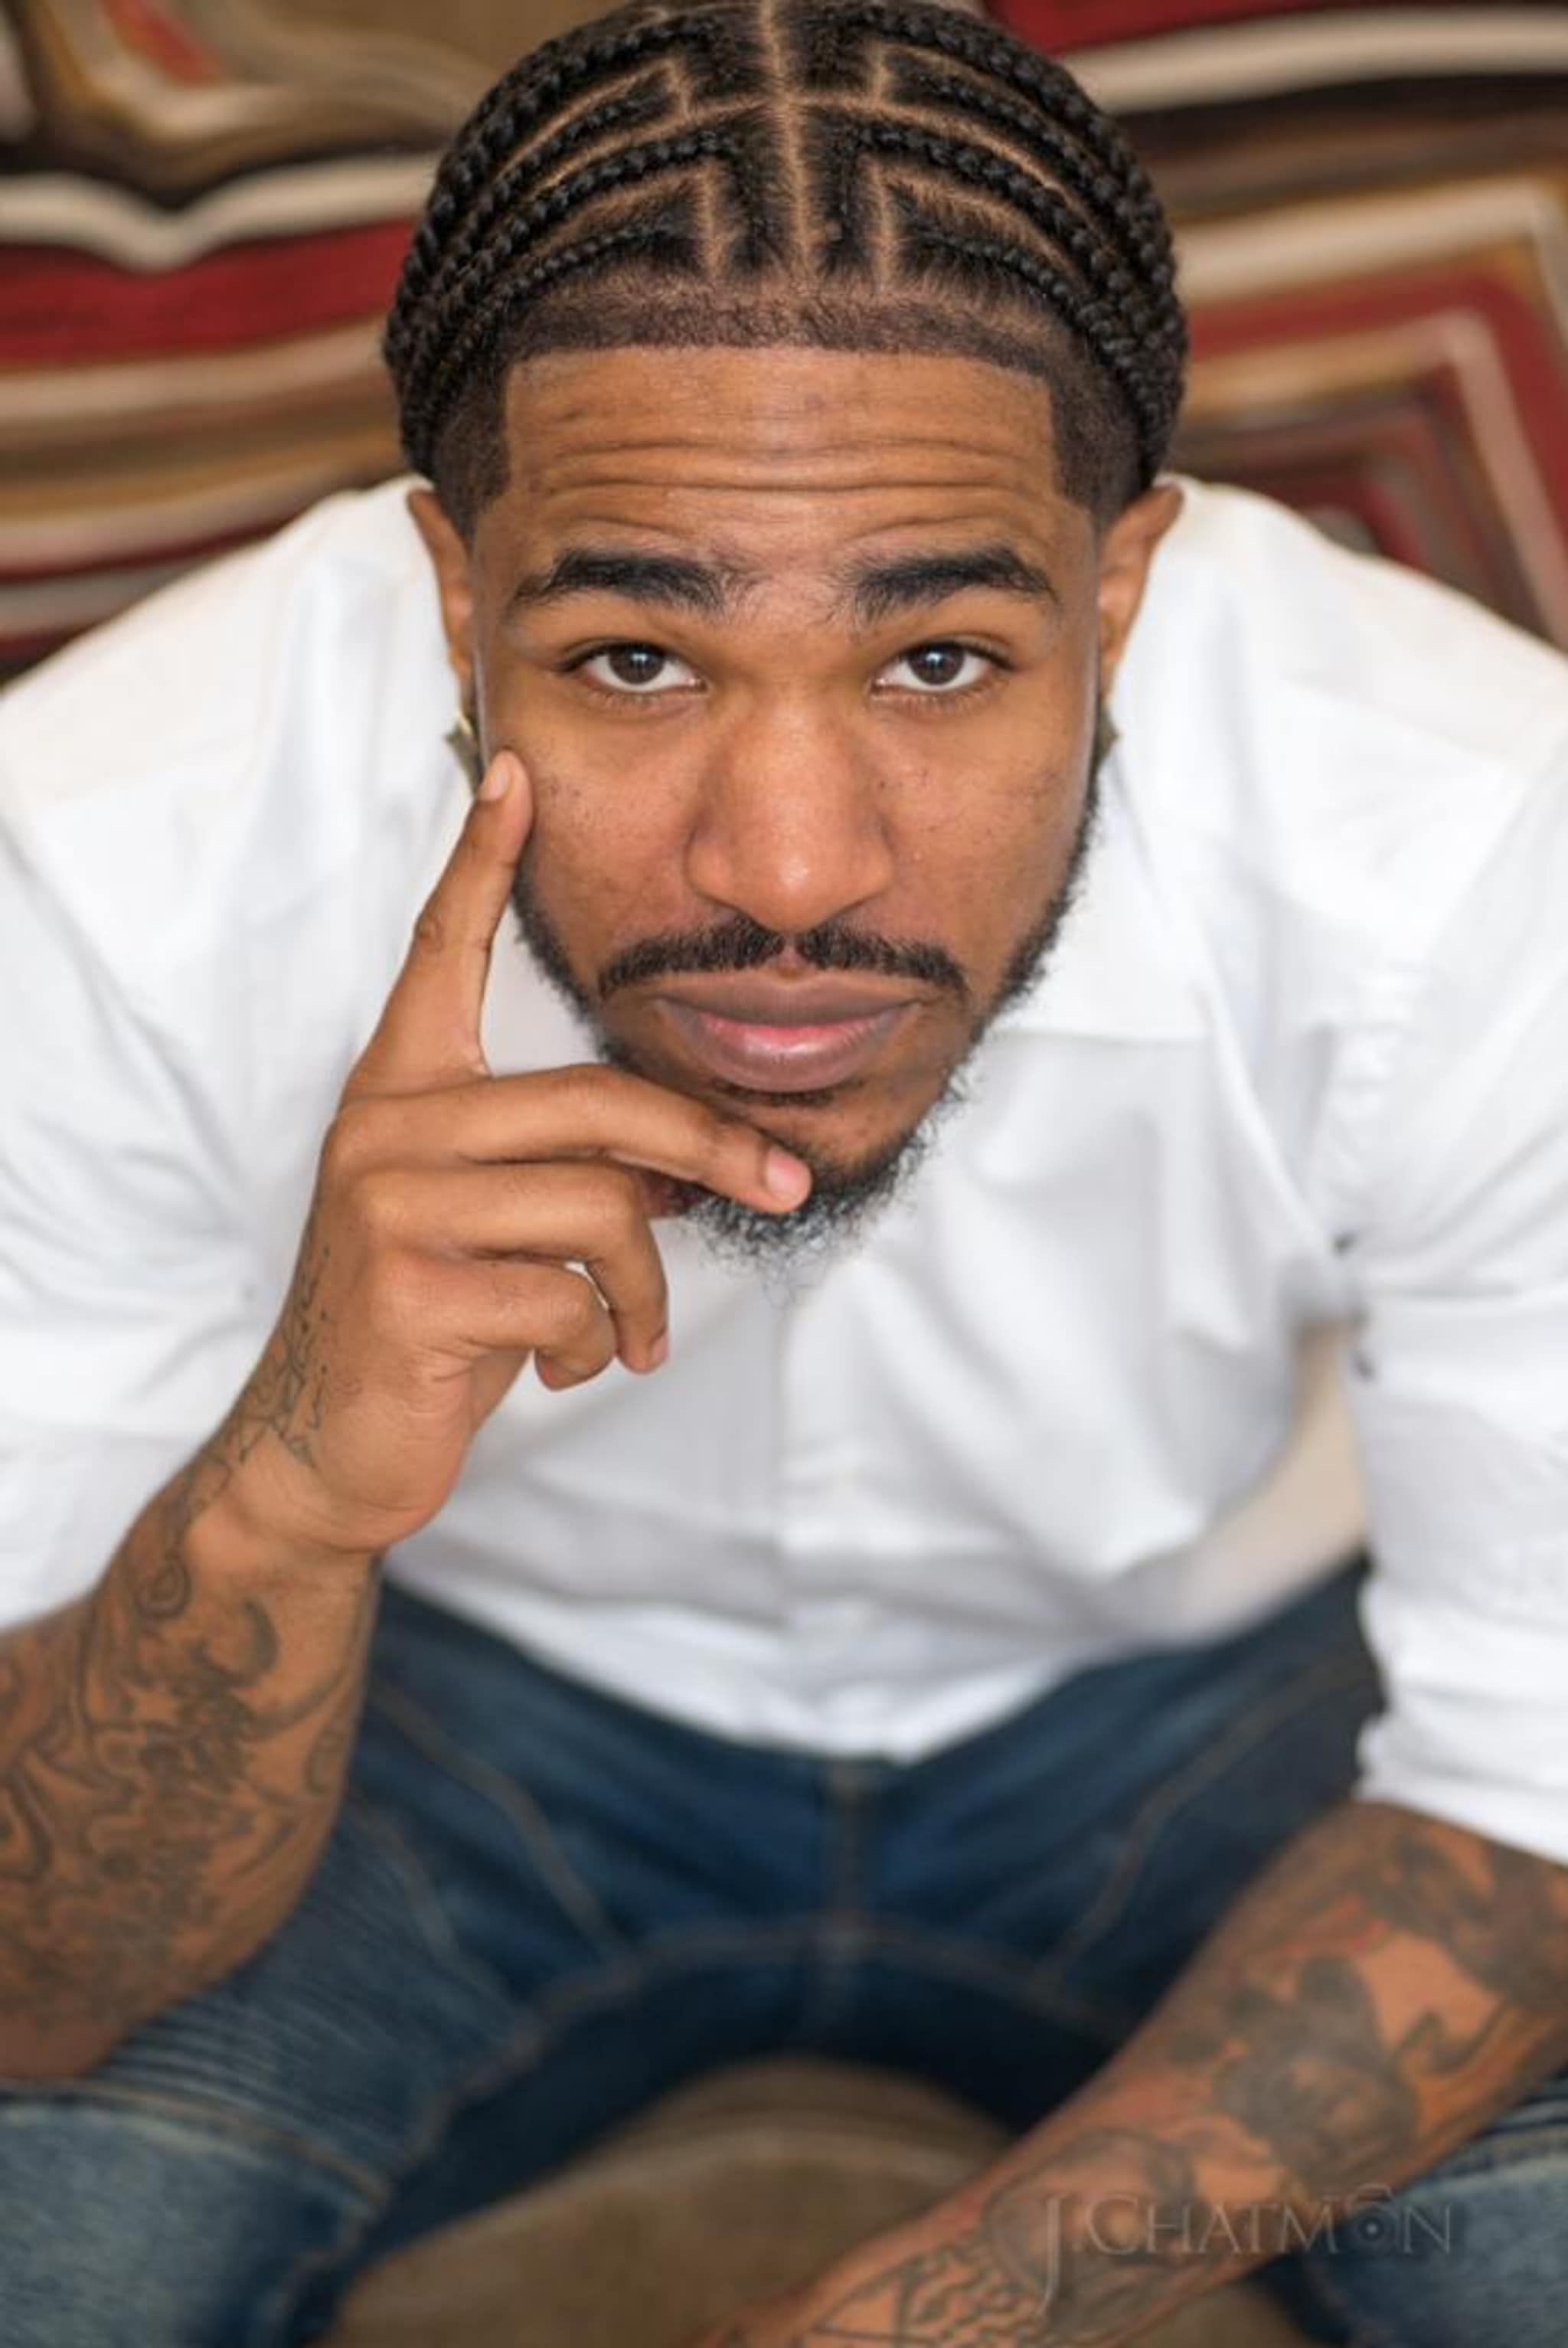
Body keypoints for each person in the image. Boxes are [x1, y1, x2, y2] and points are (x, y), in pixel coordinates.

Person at [1, 1, 1565, 2342]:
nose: (798, 869)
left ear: (1119, 589)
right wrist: (284, 1501)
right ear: (454, 590)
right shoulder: (104, 847)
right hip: (449, 1704)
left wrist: (937, 2311)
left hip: (1220, 1696)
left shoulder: (1475, 836)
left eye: (938, 656)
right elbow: (30, 1983)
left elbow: (1532, 1791)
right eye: (637, 655)